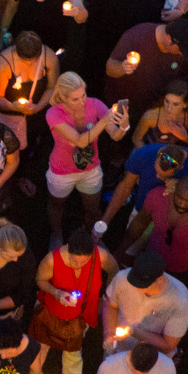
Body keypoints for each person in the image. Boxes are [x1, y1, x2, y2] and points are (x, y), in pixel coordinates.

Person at [44, 72, 128, 245]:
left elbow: (115, 135)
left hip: (90, 169)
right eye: (75, 99)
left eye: (83, 95)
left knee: (93, 209)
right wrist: (103, 122)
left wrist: (124, 125)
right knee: (57, 204)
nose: (82, 102)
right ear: (63, 98)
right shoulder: (54, 114)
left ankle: (94, 237)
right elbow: (80, 141)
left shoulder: (95, 105)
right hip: (62, 170)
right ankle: (56, 234)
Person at [124, 173, 188, 298]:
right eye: (179, 197)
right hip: (150, 261)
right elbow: (140, 223)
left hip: (181, 274)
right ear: (174, 189)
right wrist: (123, 250)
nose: (182, 204)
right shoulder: (157, 197)